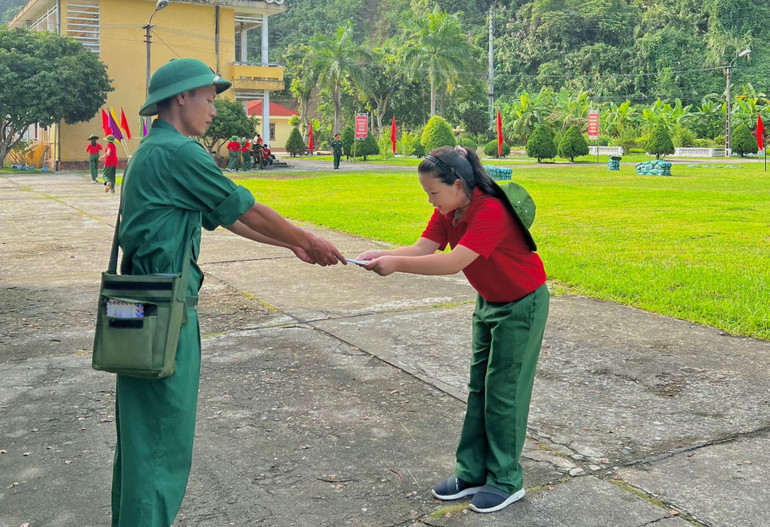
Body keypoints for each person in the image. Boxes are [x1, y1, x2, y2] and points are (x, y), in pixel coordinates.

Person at [112, 57, 346, 527]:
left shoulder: (151, 150)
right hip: (165, 311)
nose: (215, 110)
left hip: (138, 304)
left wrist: (291, 245)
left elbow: (229, 216)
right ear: (182, 98)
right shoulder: (179, 152)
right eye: (209, 98)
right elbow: (248, 209)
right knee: (161, 439)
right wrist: (308, 239)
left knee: (141, 437)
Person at [356, 145, 548, 514]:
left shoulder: (490, 210)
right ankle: (472, 472)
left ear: (458, 184)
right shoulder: (449, 210)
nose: (431, 201)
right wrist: (380, 255)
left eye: (433, 192)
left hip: (522, 304)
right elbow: (423, 248)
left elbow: (452, 262)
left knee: (504, 392)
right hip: (489, 301)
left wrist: (394, 265)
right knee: (479, 388)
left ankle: (506, 480)